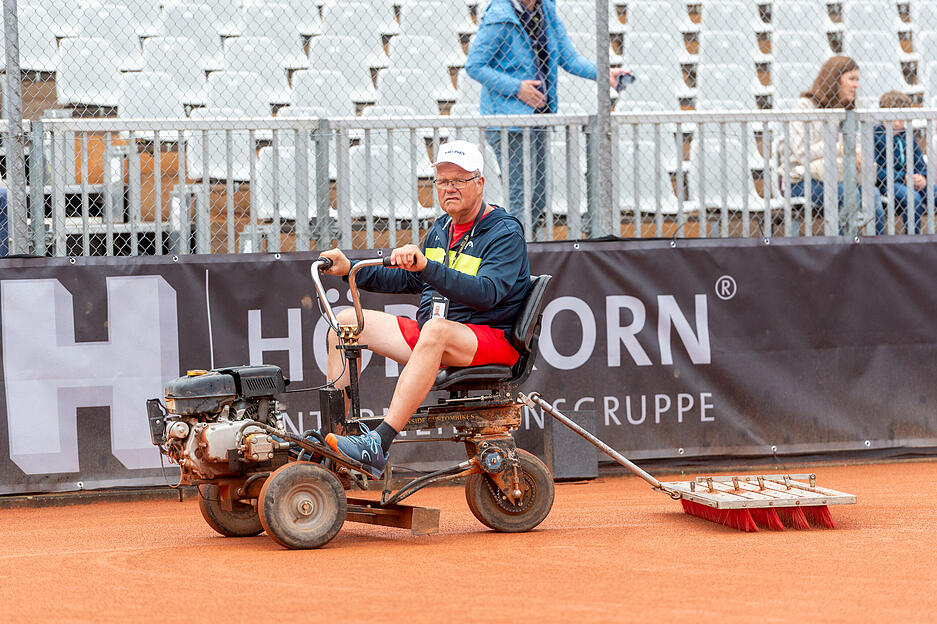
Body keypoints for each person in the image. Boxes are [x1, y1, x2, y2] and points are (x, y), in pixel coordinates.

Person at [317, 140, 531, 477]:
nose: (449, 189)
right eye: (443, 181)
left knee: (435, 329)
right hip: (440, 334)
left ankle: (378, 444)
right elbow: (409, 281)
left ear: (480, 183)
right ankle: (340, 443)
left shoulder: (505, 232)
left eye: (458, 181)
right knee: (345, 323)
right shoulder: (441, 230)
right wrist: (350, 268)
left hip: (490, 340)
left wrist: (426, 267)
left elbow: (488, 294)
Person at [465, 0, 629, 237]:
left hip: (540, 119)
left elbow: (569, 59)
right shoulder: (500, 15)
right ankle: (515, 256)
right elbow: (474, 65)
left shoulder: (546, 11)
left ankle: (518, 246)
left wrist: (606, 74)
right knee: (519, 196)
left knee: (539, 194)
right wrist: (517, 88)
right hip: (507, 123)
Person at [782, 56, 884, 235]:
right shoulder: (805, 106)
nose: (856, 85)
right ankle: (843, 250)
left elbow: (857, 143)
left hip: (839, 175)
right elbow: (801, 153)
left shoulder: (847, 109)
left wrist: (857, 153)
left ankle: (877, 251)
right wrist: (839, 147)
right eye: (851, 79)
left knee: (873, 193)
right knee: (848, 193)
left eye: (857, 80)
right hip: (801, 178)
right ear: (834, 80)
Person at [873, 91, 934, 234]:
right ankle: (913, 240)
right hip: (889, 182)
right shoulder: (876, 136)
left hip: (911, 179)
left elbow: (919, 162)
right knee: (913, 198)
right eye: (893, 118)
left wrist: (922, 177)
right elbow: (877, 171)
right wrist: (903, 177)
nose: (897, 123)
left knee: (933, 192)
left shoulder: (907, 136)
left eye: (901, 119)